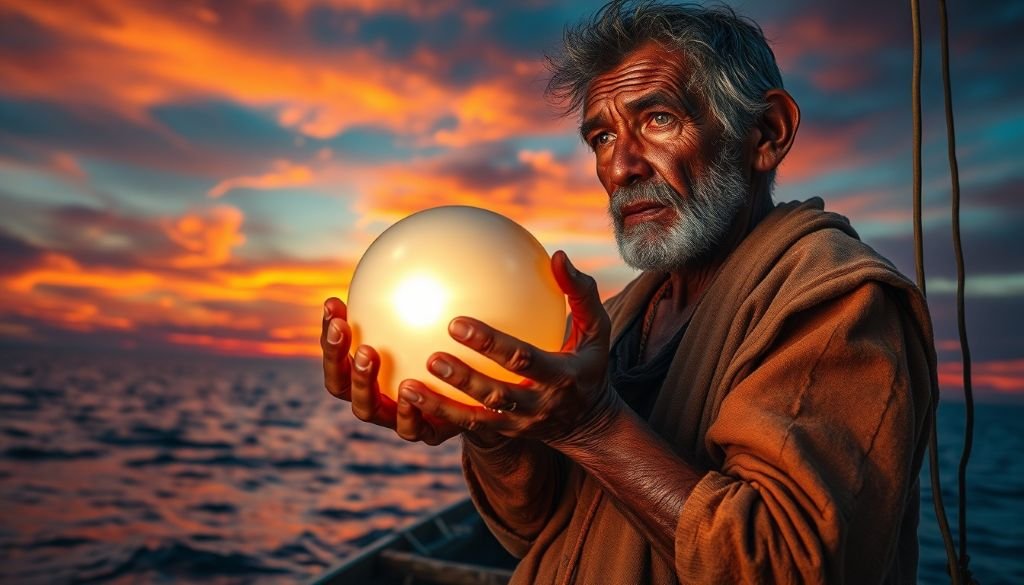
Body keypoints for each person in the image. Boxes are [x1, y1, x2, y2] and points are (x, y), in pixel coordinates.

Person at [320, 1, 937, 583]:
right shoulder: (620, 317)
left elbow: (780, 566)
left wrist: (593, 426)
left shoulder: (837, 303)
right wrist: (488, 420)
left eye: (658, 119)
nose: (620, 167)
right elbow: (529, 528)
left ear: (767, 132)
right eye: (602, 138)